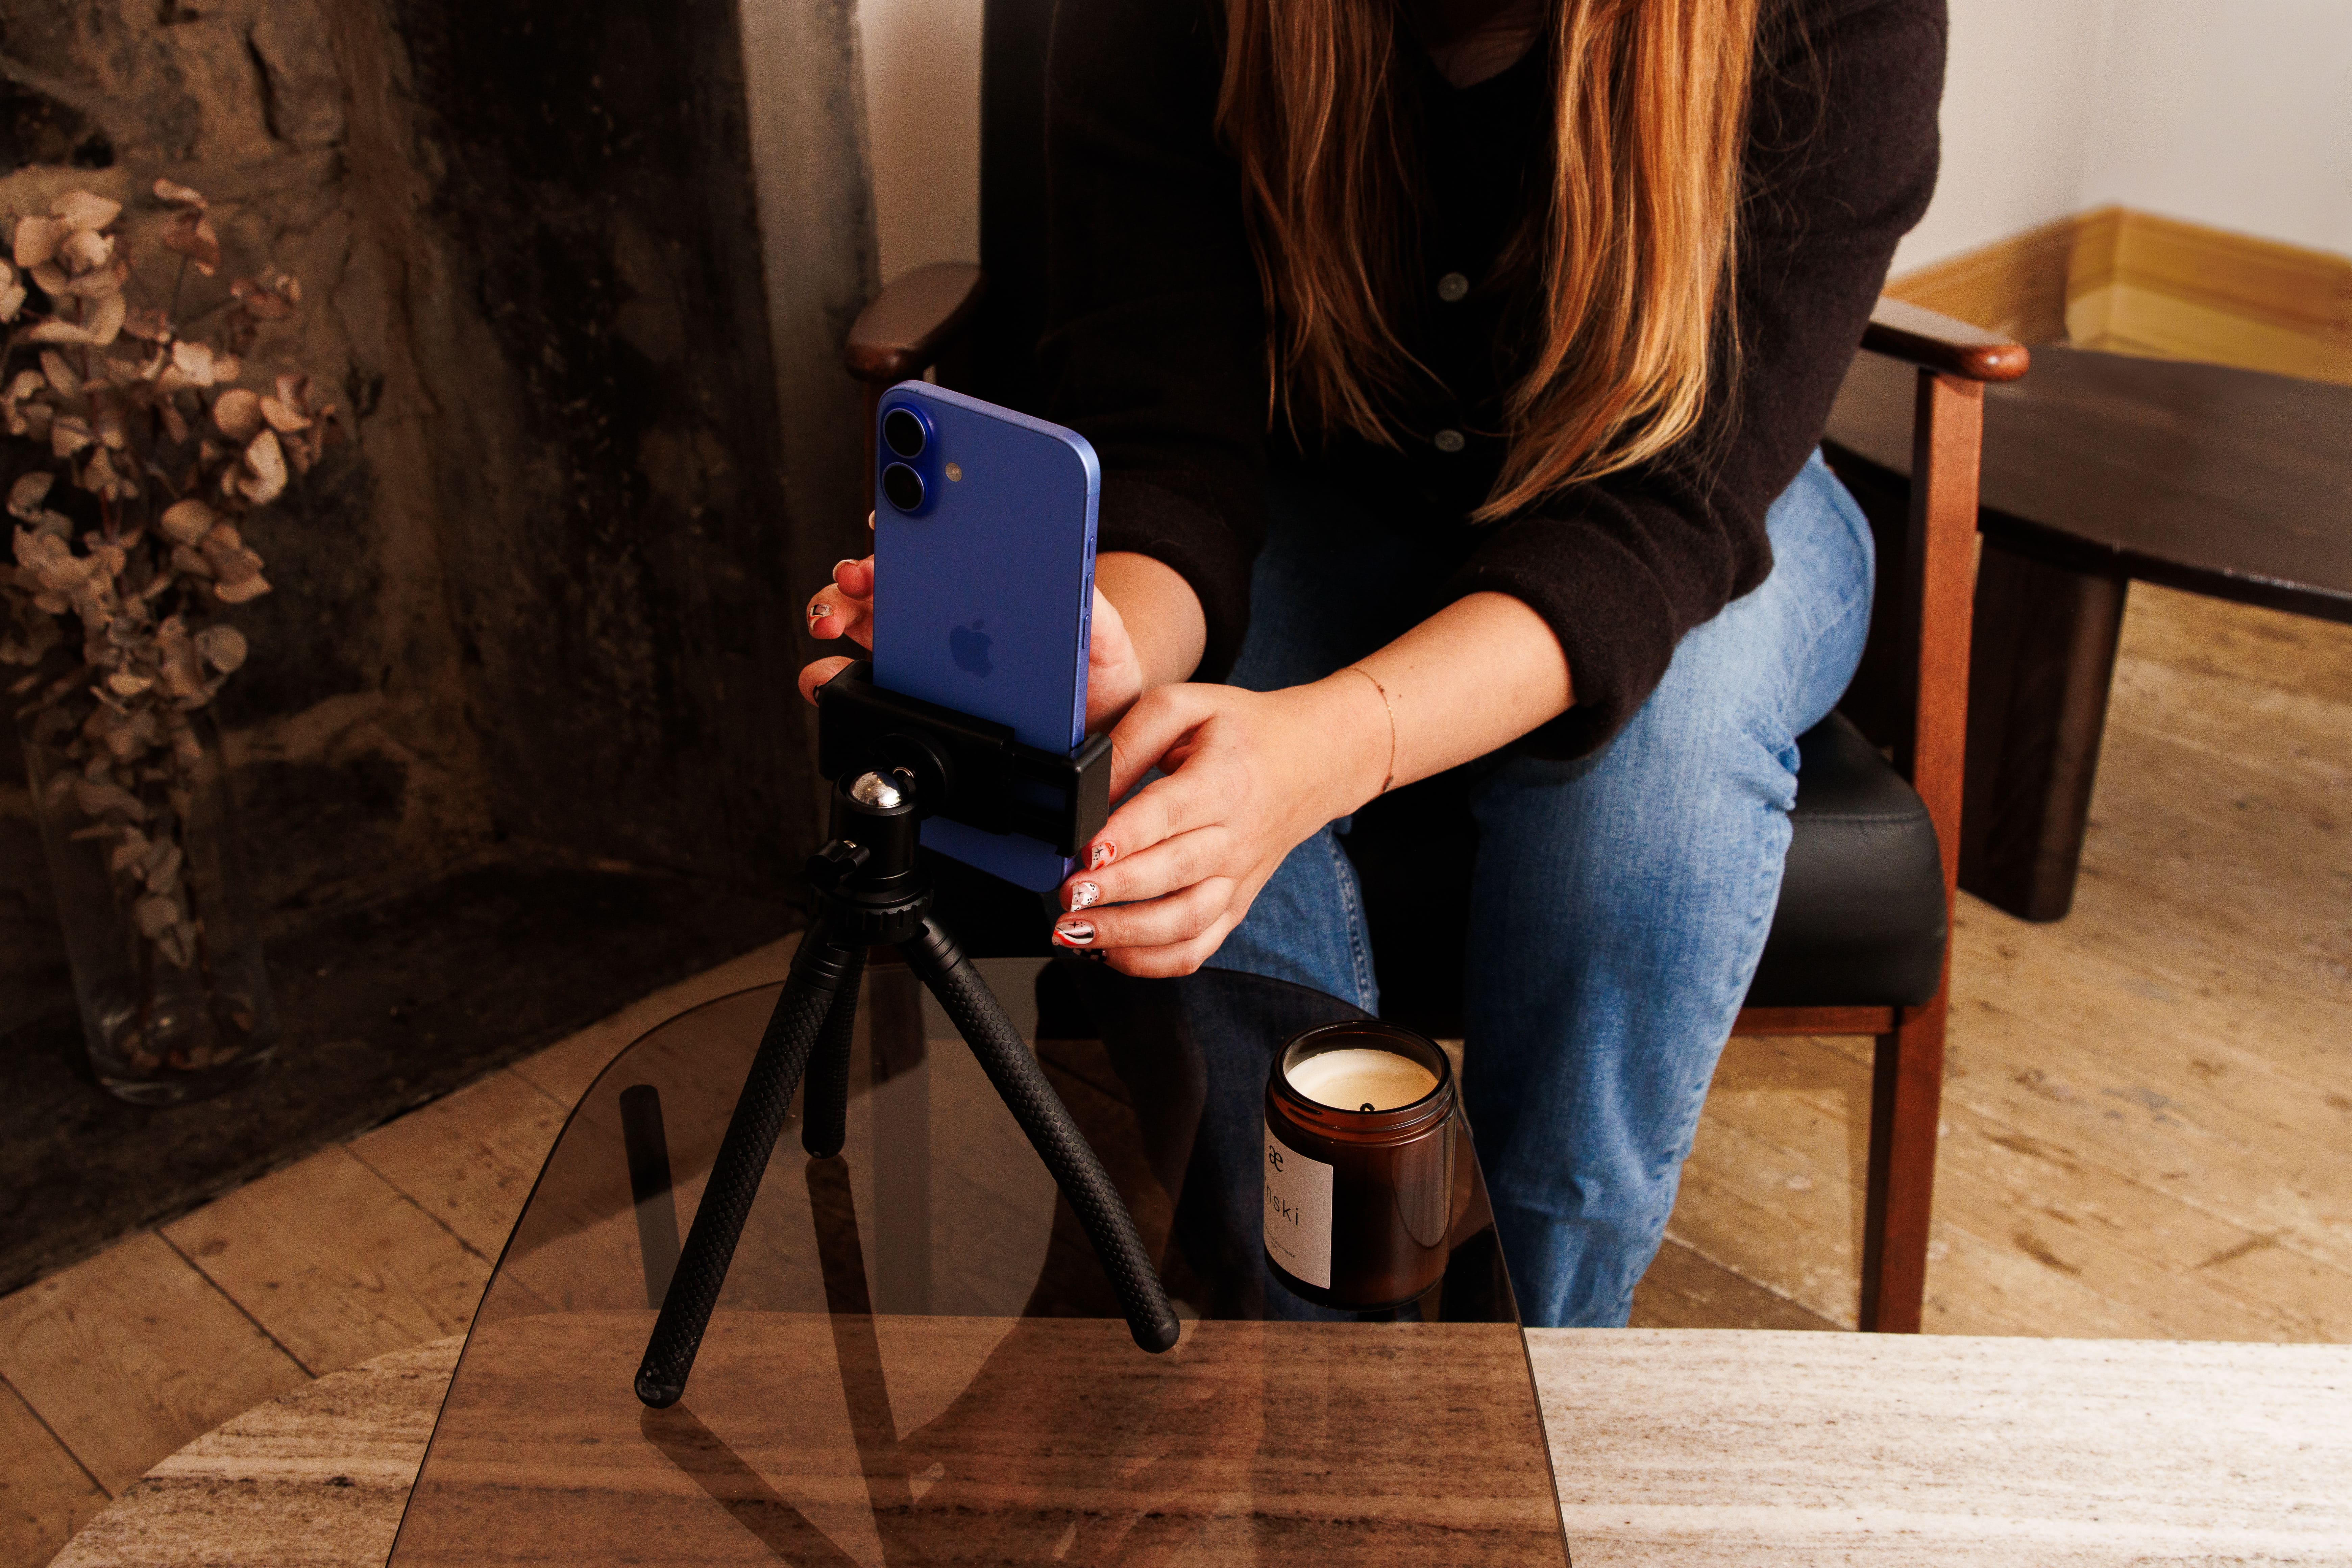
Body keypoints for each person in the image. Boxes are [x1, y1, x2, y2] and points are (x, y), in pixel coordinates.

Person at [803, 0, 1943, 1326]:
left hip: (1692, 509)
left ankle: (1548, 1362)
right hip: (1326, 489)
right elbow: (1175, 445)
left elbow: (1665, 522)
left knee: (1650, 793)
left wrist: (1331, 745)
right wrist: (1105, 641)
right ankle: (1328, 1376)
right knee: (1165, 768)